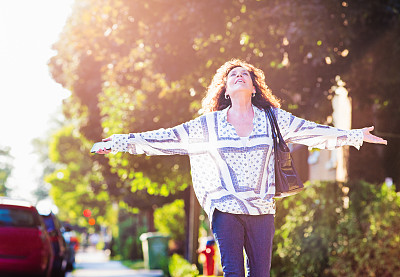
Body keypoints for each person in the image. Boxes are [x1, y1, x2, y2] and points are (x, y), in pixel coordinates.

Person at [95, 59, 387, 276]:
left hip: (261, 209)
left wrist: (355, 135)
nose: (238, 76)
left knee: (259, 274)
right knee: (234, 272)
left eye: (244, 74)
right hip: (225, 207)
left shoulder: (273, 118)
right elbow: (167, 137)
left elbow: (313, 131)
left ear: (253, 86)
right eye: (232, 74)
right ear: (224, 89)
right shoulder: (210, 125)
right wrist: (122, 142)